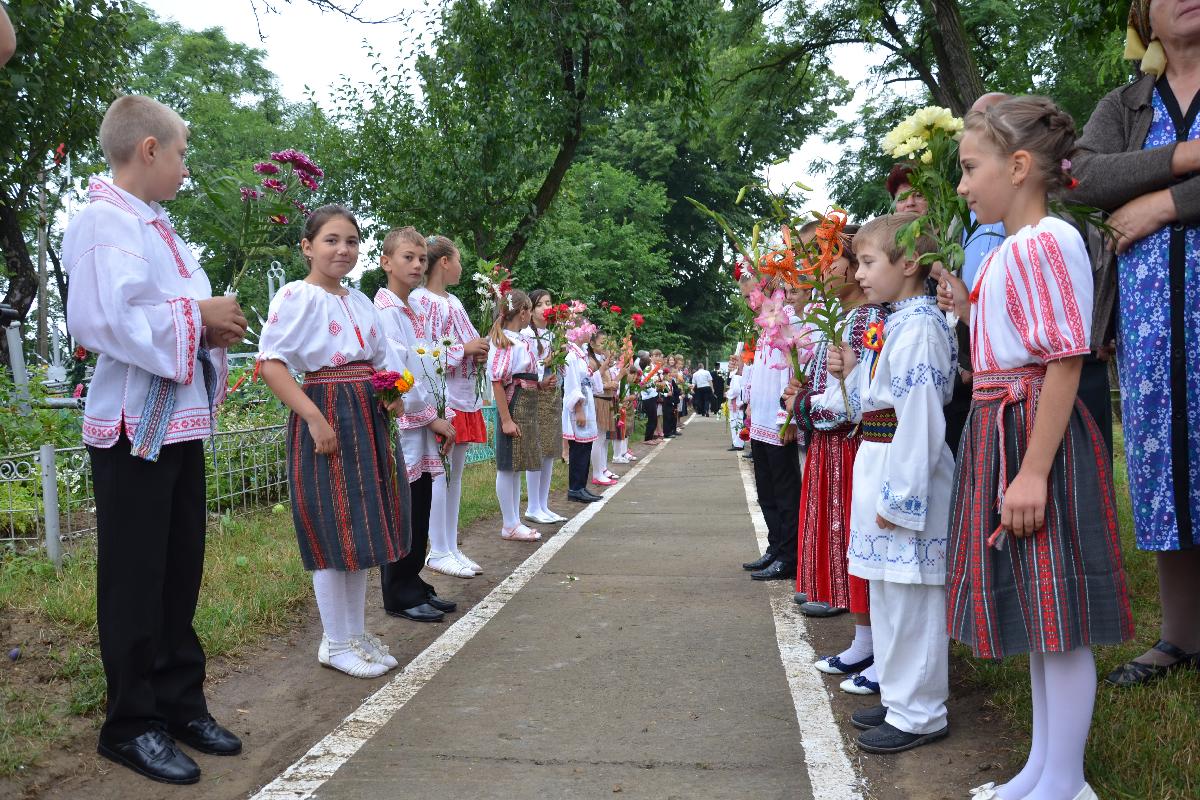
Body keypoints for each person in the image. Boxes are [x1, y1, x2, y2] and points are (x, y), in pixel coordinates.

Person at [942, 96, 1134, 800]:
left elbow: (1063, 361)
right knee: (1037, 612)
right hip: (1003, 427)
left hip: (1032, 436)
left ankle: (1067, 782)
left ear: (1018, 167)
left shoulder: (1048, 241)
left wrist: (1032, 471)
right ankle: (1042, 770)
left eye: (970, 168)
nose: (962, 186)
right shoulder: (1012, 248)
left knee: (1061, 618)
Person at [64, 95, 245, 785]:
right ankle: (130, 722)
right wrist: (199, 316)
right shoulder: (104, 221)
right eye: (181, 154)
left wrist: (210, 324)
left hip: (177, 423)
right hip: (132, 430)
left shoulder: (157, 224)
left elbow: (162, 311)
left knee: (177, 572)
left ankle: (178, 700)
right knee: (135, 581)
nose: (185, 167)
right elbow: (102, 321)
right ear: (149, 150)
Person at [1072, 0, 1200, 687]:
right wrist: (1184, 155)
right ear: (1142, 13)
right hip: (1153, 322)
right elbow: (1082, 178)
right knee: (1169, 465)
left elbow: (1124, 190)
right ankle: (1180, 638)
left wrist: (1163, 203)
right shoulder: (1127, 102)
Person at [258, 205, 411, 684]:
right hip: (326, 409)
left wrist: (393, 396)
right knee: (331, 523)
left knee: (362, 524)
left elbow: (382, 361)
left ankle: (353, 632)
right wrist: (314, 418)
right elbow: (271, 363)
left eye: (351, 240)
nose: (343, 249)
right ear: (307, 246)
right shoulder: (296, 297)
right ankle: (336, 639)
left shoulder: (363, 301)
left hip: (365, 414)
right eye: (331, 240)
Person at [820, 213, 955, 754]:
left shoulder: (919, 327)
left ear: (908, 265)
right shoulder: (894, 321)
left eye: (869, 262)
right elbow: (865, 408)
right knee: (886, 590)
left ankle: (921, 711)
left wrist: (902, 499)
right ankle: (900, 695)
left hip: (905, 467)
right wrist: (846, 375)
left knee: (912, 595)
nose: (860, 271)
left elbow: (920, 417)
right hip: (878, 456)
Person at [787, 225, 889, 696]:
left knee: (858, 539)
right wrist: (805, 396)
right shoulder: (841, 317)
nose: (817, 268)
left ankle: (877, 645)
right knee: (846, 540)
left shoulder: (866, 319)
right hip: (835, 444)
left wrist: (805, 405)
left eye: (826, 257)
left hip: (852, 443)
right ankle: (863, 639)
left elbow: (852, 401)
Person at [374, 227, 459, 623]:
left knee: (420, 504)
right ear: (386, 262)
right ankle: (398, 590)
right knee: (404, 509)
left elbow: (425, 366)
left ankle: (413, 579)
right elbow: (397, 373)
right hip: (406, 424)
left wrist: (437, 412)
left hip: (421, 421)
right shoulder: (388, 311)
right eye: (407, 257)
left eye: (421, 259)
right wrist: (432, 417)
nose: (416, 265)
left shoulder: (411, 309)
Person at [412, 237, 490, 578]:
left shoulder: (453, 300)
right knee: (440, 475)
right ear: (444, 261)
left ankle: (451, 545)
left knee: (455, 476)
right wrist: (466, 349)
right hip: (442, 396)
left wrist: (478, 349)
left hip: (461, 393)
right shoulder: (419, 300)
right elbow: (423, 352)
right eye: (458, 259)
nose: (461, 266)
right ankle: (438, 549)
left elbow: (466, 342)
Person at [742, 276, 802, 582]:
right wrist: (751, 403)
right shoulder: (767, 323)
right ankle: (775, 546)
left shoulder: (794, 323)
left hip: (779, 422)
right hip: (761, 420)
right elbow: (759, 368)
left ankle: (789, 556)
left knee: (785, 492)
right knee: (765, 490)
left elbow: (793, 371)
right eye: (784, 291)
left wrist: (787, 417)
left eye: (792, 290)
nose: (787, 296)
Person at [488, 288, 545, 540]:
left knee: (517, 464)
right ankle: (509, 523)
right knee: (507, 465)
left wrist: (541, 384)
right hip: (514, 405)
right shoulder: (505, 341)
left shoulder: (520, 340)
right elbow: (498, 380)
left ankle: (515, 520)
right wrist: (506, 419)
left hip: (526, 403)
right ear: (523, 313)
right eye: (530, 311)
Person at [521, 290, 568, 525]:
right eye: (541, 304)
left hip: (552, 394)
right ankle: (532, 506)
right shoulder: (526, 334)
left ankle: (543, 504)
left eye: (549, 303)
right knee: (536, 449)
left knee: (550, 449)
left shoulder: (553, 335)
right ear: (531, 309)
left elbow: (560, 368)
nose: (546, 308)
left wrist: (561, 359)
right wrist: (550, 360)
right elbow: (528, 365)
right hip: (535, 395)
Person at [563, 317, 602, 502]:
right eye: (586, 328)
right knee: (579, 447)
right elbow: (572, 384)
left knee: (586, 446)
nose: (589, 332)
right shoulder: (571, 356)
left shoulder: (582, 355)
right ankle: (575, 487)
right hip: (580, 406)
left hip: (587, 402)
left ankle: (581, 486)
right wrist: (578, 408)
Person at [589, 333, 619, 486]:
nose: (605, 347)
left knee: (602, 438)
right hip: (598, 400)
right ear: (592, 344)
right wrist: (609, 385)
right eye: (602, 343)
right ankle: (597, 473)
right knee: (598, 439)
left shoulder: (601, 360)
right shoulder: (592, 361)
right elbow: (592, 383)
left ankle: (601, 469)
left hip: (605, 400)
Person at [726, 357, 745, 451]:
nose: (729, 366)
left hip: (736, 402)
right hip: (738, 401)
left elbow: (736, 390)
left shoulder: (736, 376)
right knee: (736, 421)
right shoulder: (736, 376)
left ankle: (738, 443)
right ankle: (737, 442)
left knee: (736, 422)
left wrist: (728, 394)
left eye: (732, 364)